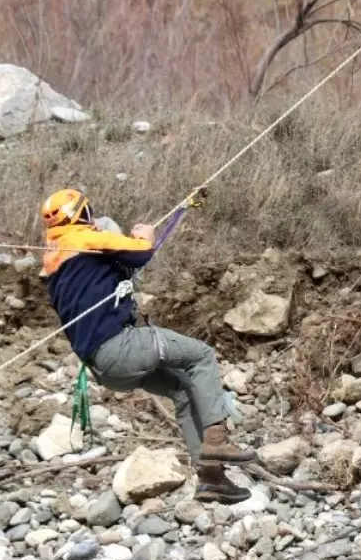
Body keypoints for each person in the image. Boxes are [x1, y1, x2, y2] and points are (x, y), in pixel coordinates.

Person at [38, 188, 257, 505]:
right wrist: (146, 235)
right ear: (81, 214)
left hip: (104, 369)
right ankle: (217, 440)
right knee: (202, 356)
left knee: (182, 391)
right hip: (122, 347)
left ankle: (211, 478)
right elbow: (140, 251)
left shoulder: (58, 260)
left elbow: (117, 269)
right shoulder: (82, 239)